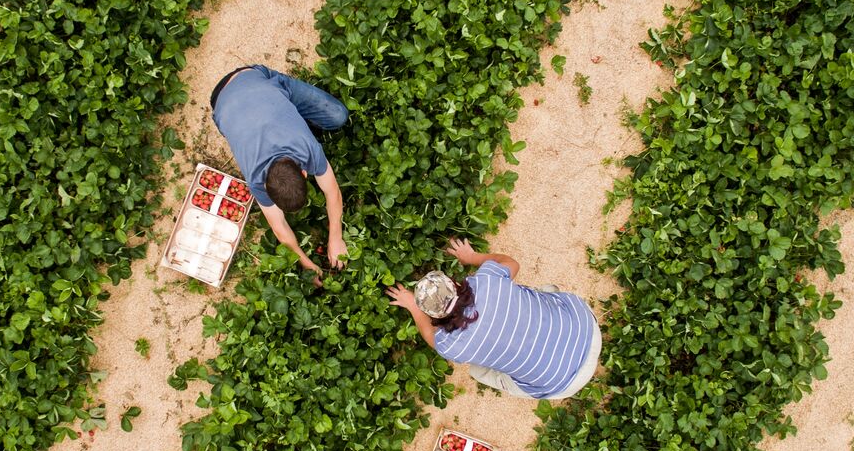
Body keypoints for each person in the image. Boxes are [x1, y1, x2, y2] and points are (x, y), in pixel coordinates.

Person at [386, 239, 601, 400]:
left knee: (478, 371)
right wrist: (471, 257)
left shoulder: (451, 345)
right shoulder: (486, 280)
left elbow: (428, 334)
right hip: (586, 329)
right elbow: (511, 263)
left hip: (560, 384)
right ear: (453, 283)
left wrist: (412, 305)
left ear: (434, 315)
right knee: (536, 296)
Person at [210, 64, 349, 276]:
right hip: (225, 99)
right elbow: (280, 228)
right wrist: (307, 264)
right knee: (329, 117)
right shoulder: (255, 179)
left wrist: (336, 237)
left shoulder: (308, 148)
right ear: (304, 172)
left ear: (303, 172)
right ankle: (280, 107)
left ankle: (280, 102)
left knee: (338, 116)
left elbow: (333, 192)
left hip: (242, 89)